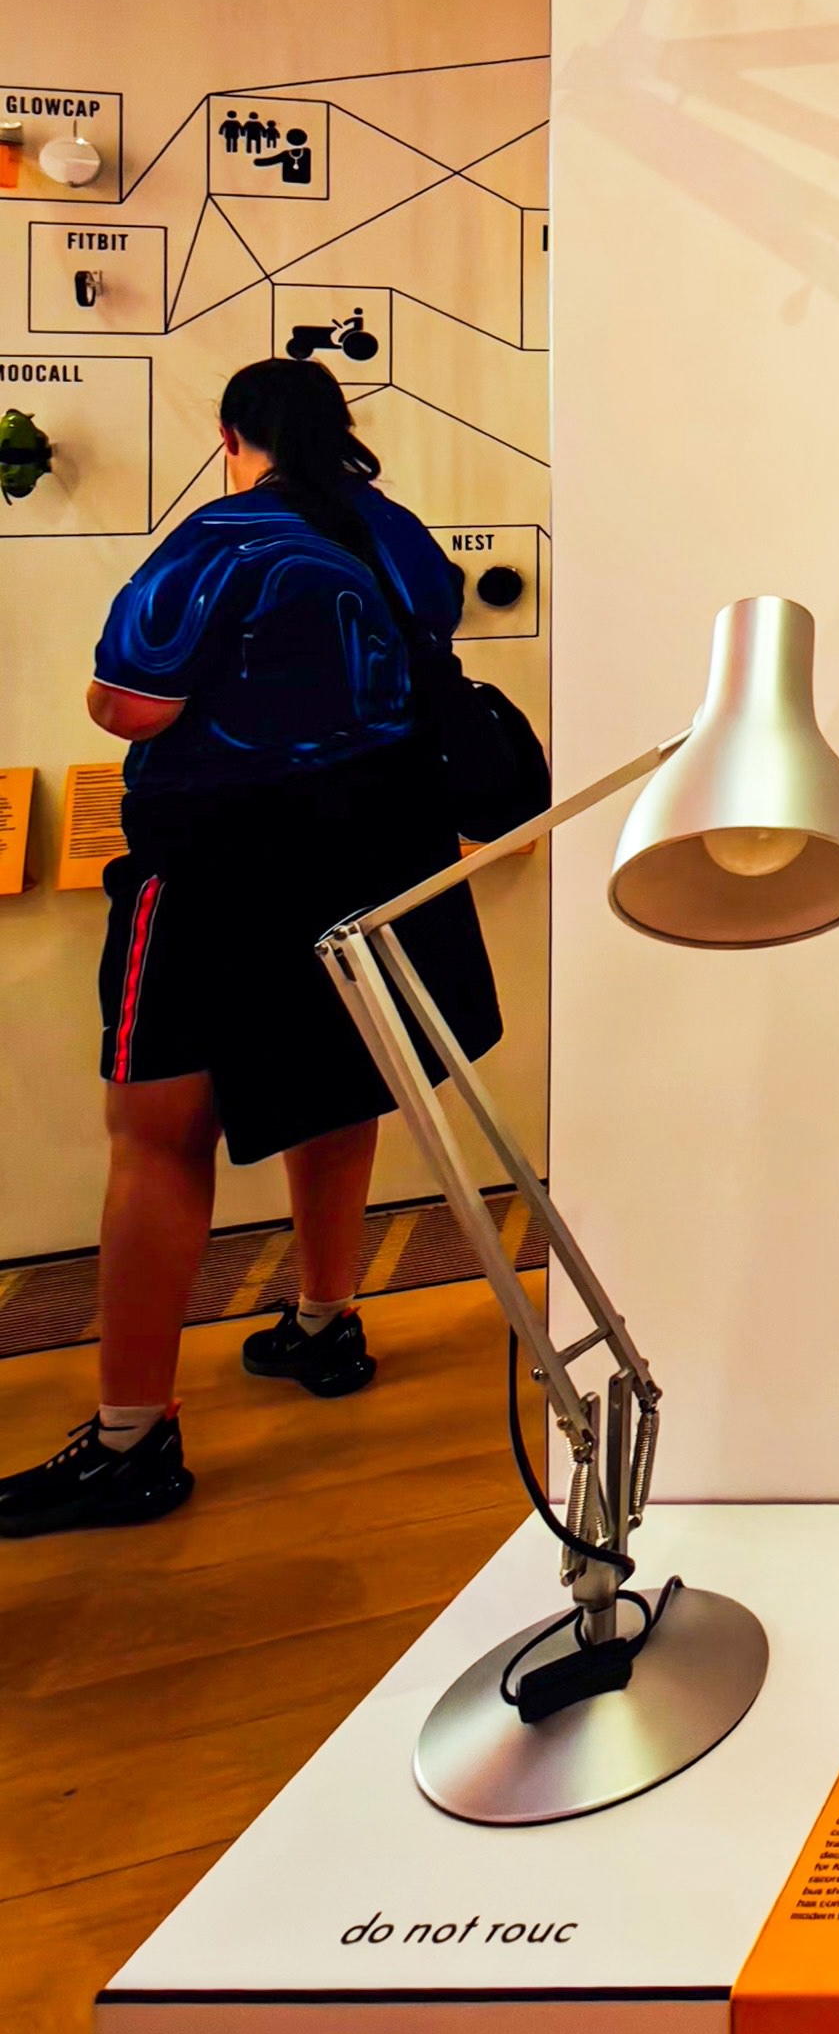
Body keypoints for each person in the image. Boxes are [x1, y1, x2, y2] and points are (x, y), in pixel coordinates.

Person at [0, 359, 503, 1538]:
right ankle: (326, 1321)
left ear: (233, 436)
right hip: (378, 848)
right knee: (338, 1084)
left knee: (159, 1128)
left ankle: (129, 1440)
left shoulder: (220, 539)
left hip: (222, 862)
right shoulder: (393, 531)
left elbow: (130, 703)